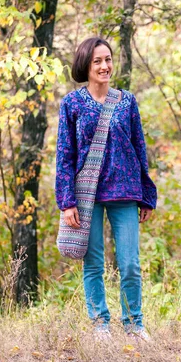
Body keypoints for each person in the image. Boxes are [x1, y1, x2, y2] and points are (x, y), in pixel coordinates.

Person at [55, 37, 157, 341]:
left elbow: (140, 147)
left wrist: (147, 194)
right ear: (85, 65)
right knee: (94, 264)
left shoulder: (127, 101)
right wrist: (66, 201)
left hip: (125, 192)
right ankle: (100, 324)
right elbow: (65, 153)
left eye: (108, 59)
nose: (104, 66)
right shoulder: (72, 104)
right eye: (97, 61)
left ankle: (134, 324)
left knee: (130, 264)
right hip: (87, 197)